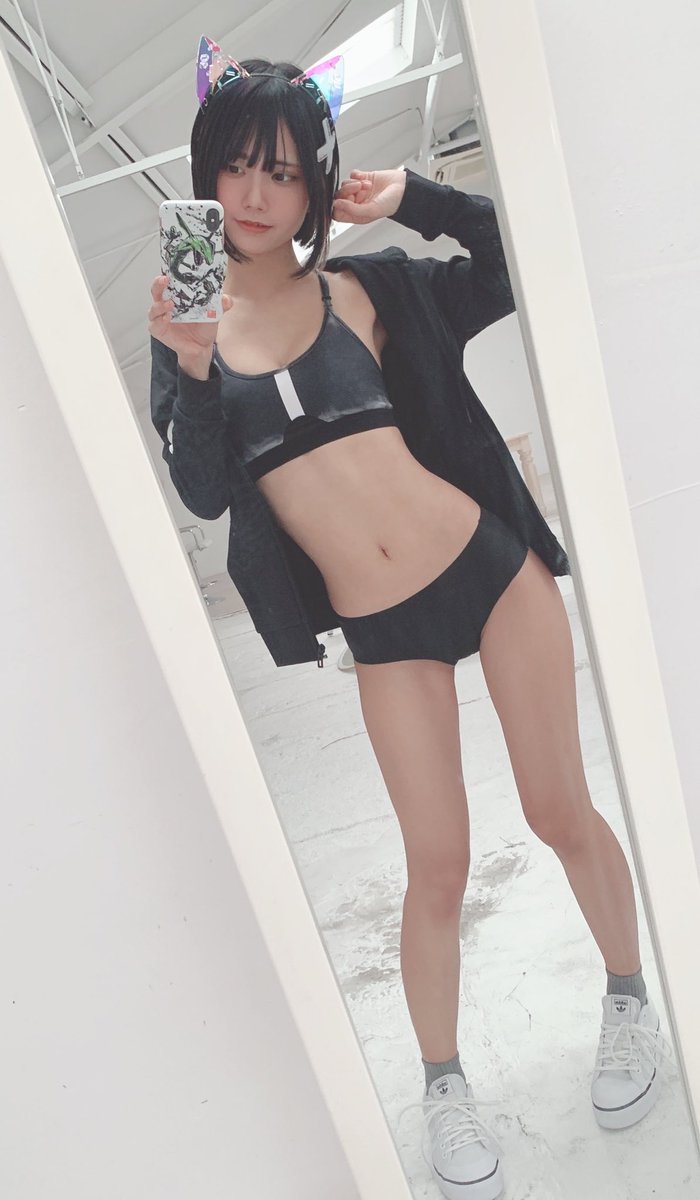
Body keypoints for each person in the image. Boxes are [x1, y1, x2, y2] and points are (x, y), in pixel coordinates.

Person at [148, 40, 672, 1200]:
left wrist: (417, 198)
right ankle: (443, 1086)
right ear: (206, 172)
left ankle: (629, 998)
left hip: (487, 570)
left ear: (314, 184)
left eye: (284, 171)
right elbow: (203, 489)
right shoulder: (188, 317)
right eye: (236, 165)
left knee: (556, 809)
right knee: (434, 865)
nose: (255, 193)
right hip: (381, 629)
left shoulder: (365, 287)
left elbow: (511, 263)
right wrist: (186, 367)